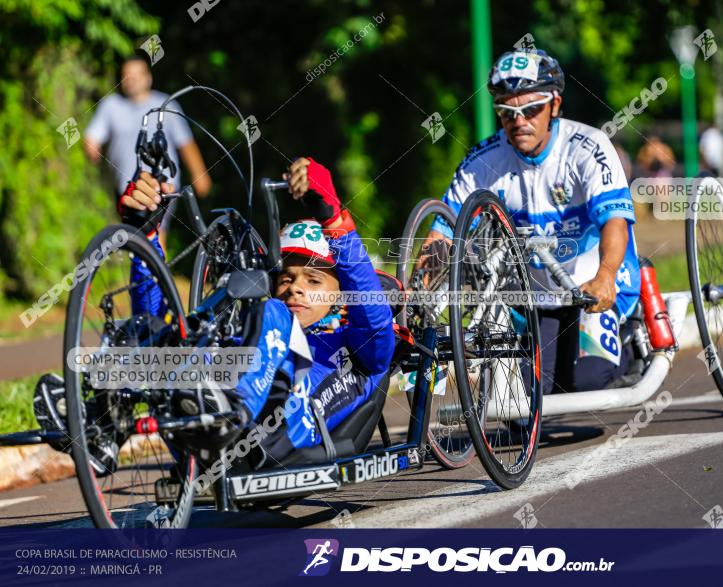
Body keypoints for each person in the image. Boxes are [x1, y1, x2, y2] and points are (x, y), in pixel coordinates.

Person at [119, 157, 395, 462]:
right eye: (286, 278)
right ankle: (94, 418)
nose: (295, 288)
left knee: (274, 312)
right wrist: (146, 238)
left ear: (341, 295)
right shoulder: (257, 330)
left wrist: (334, 221)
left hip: (278, 432)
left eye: (313, 280)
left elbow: (374, 320)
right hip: (203, 429)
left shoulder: (358, 349)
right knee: (169, 337)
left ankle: (234, 407)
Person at [427, 49, 642, 394]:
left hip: (593, 284)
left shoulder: (589, 147)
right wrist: (421, 285)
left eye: (530, 109)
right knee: (525, 398)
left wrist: (605, 276)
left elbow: (615, 221)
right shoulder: (482, 160)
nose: (519, 120)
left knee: (588, 382)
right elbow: (443, 233)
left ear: (554, 105)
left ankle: (632, 334)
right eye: (507, 111)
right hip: (539, 297)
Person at [85, 52, 212, 252]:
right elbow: (93, 136)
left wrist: (200, 174)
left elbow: (185, 143)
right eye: (127, 76)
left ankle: (155, 280)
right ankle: (146, 278)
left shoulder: (166, 105)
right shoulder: (111, 106)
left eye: (136, 75)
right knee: (135, 239)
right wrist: (92, 148)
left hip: (163, 184)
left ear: (148, 78)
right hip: (126, 186)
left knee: (155, 234)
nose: (131, 80)